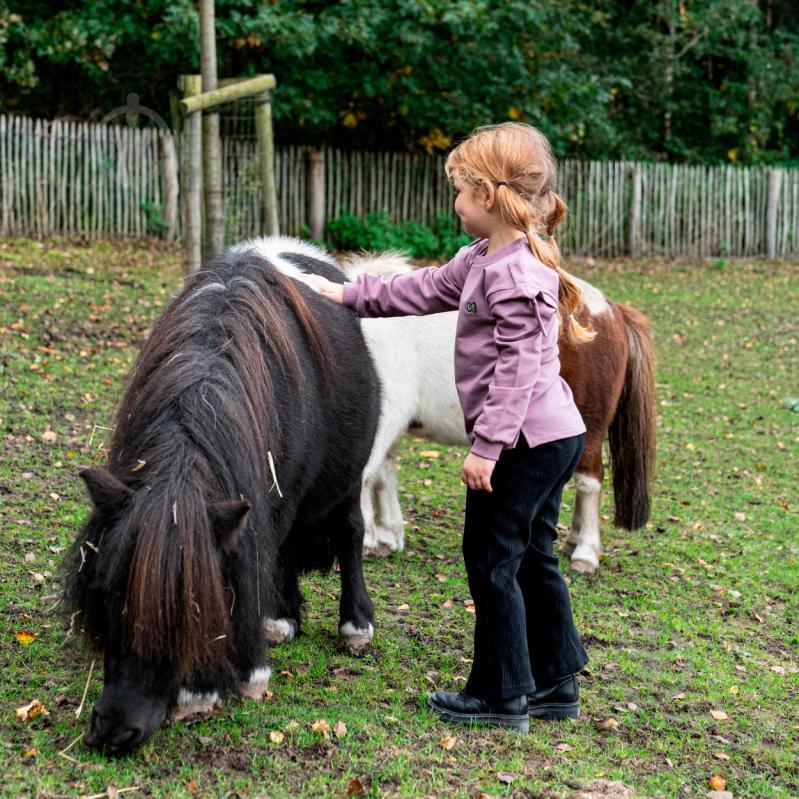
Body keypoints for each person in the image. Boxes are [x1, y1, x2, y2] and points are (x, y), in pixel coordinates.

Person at [302, 122, 594, 733]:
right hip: (551, 435)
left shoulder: (512, 276)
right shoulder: (488, 258)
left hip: (525, 442)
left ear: (487, 195)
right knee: (534, 556)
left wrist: (486, 447)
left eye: (459, 191)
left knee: (491, 560)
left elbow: (516, 373)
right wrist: (346, 292)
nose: (455, 203)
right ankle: (555, 683)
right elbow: (422, 287)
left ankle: (501, 695)